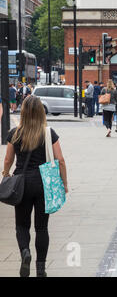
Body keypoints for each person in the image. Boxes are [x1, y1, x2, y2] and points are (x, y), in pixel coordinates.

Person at [3, 95, 68, 277]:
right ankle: (41, 269)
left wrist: (5, 173)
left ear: (22, 112)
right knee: (42, 227)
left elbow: (8, 159)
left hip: (22, 184)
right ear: (41, 112)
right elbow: (60, 160)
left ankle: (25, 252)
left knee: (22, 226)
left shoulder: (15, 133)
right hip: (43, 183)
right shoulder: (48, 133)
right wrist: (64, 183)